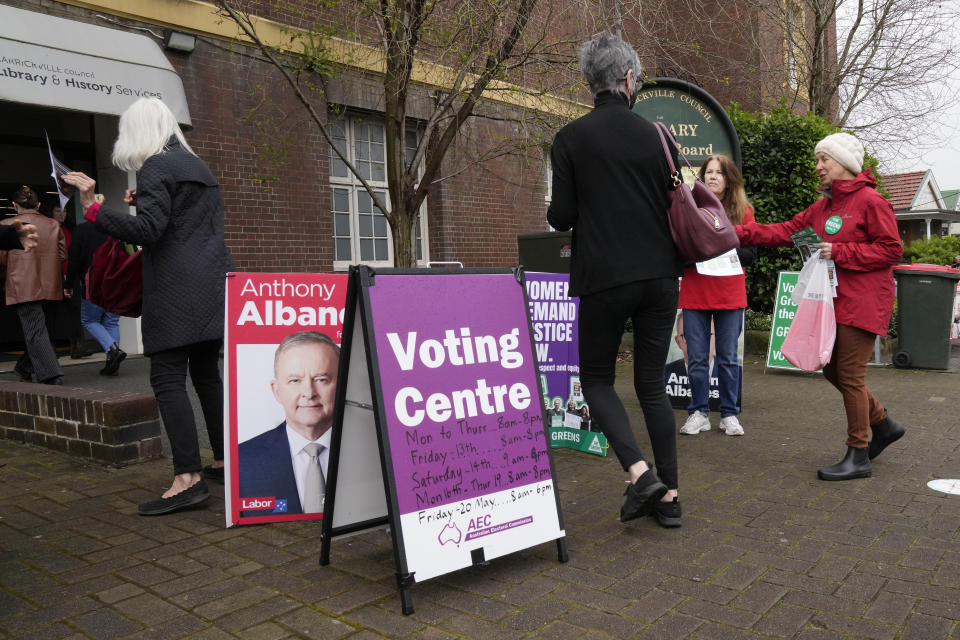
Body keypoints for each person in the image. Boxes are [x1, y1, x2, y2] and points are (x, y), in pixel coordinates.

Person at [62, 97, 234, 515]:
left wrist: (95, 209)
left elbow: (150, 230)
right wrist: (146, 200)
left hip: (177, 290)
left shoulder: (156, 165)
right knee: (207, 376)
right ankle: (224, 461)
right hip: (214, 284)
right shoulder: (197, 166)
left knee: (168, 377)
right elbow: (186, 221)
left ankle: (188, 479)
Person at [547, 33, 683, 528]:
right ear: (628, 78)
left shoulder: (571, 139)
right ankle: (669, 501)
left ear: (590, 83)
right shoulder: (660, 136)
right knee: (651, 384)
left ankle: (640, 473)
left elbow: (561, 217)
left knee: (597, 379)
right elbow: (677, 200)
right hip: (660, 275)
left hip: (603, 276)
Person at [735, 132, 904, 481]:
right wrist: (736, 232)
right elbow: (785, 231)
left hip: (865, 300)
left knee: (850, 375)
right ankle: (884, 425)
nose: (818, 166)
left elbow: (891, 250)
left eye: (823, 159)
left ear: (843, 162)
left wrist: (839, 251)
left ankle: (858, 454)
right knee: (831, 370)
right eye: (817, 160)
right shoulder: (823, 206)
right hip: (834, 301)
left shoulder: (872, 201)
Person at [678, 155, 756, 437]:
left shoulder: (743, 212)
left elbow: (751, 254)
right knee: (697, 358)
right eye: (708, 172)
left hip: (730, 294)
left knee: (727, 358)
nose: (712, 177)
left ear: (729, 179)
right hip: (695, 293)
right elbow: (678, 252)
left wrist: (723, 248)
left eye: (718, 173)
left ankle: (729, 414)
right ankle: (698, 412)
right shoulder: (689, 209)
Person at [237, 331, 339, 515]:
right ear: (276, 391)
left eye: (321, 379)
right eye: (295, 380)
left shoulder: (375, 454)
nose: (309, 392)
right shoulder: (241, 460)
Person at [2, 186, 66, 385]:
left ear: (14, 205)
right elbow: (63, 255)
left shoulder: (6, 224)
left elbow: (2, 260)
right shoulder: (54, 225)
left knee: (35, 329)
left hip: (22, 283)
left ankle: (50, 374)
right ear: (38, 205)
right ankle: (24, 366)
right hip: (50, 282)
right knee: (42, 328)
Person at [65, 221, 126, 376]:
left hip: (92, 281)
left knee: (89, 320)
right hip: (115, 280)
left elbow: (73, 258)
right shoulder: (115, 227)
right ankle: (112, 363)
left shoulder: (81, 229)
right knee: (111, 321)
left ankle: (113, 350)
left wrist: (69, 283)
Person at [39, 196, 92, 361]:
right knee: (50, 314)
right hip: (51, 277)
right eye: (58, 211)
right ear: (50, 212)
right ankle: (50, 349)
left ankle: (77, 346)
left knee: (75, 311)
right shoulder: (46, 229)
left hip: (71, 276)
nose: (62, 214)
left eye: (64, 211)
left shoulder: (71, 229)